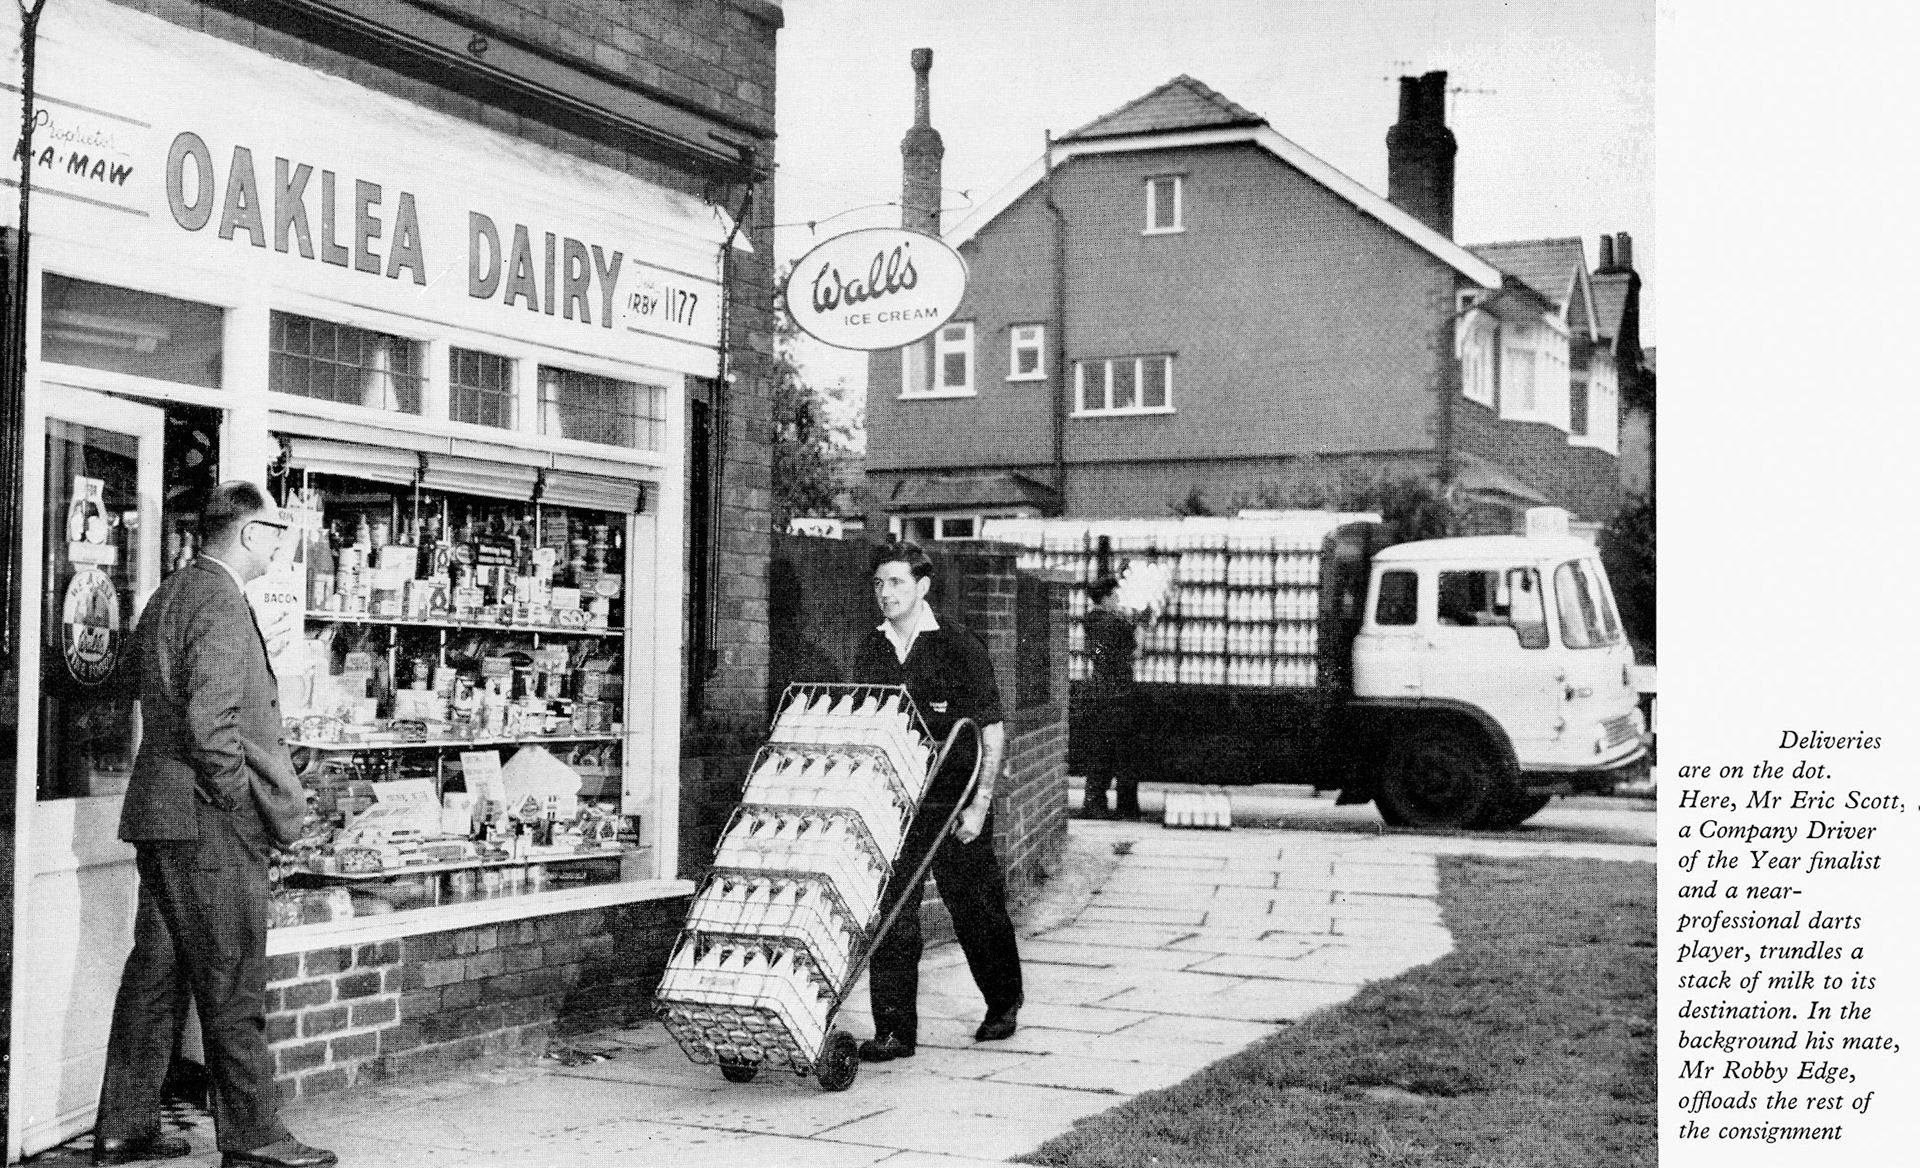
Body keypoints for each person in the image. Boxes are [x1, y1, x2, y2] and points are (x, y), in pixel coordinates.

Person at [93, 482, 336, 1168]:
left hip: (159, 811)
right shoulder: (223, 602)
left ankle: (124, 1128)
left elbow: (136, 693)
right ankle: (255, 1137)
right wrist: (236, 807)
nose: (283, 545)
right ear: (252, 535)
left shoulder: (170, 593)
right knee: (232, 976)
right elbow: (212, 725)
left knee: (156, 973)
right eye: (278, 531)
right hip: (206, 820)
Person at [848, 541, 1023, 1061]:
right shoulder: (871, 648)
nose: (886, 593)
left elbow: (990, 729)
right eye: (879, 583)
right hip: (896, 802)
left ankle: (1002, 1002)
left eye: (897, 582)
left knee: (972, 902)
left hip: (954, 798)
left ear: (923, 586)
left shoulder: (959, 646)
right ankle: (895, 1032)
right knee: (893, 910)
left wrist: (979, 804)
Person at [1079, 576, 1141, 819]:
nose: (1118, 600)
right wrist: (1141, 629)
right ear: (1105, 598)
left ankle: (1094, 802)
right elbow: (1136, 652)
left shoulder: (1091, 621)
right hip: (1119, 693)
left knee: (1101, 751)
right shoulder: (1115, 623)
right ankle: (1126, 806)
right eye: (1115, 596)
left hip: (1099, 691)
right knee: (1126, 752)